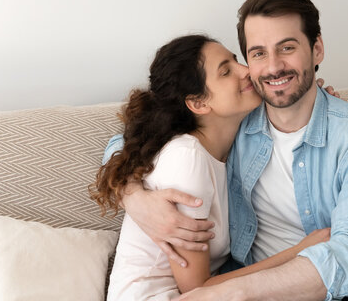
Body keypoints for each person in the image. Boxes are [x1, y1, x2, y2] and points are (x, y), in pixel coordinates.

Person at [113, 0, 348, 301]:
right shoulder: (233, 121)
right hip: (253, 282)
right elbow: (128, 144)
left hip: (331, 281)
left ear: (316, 49)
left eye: (287, 47)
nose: (273, 67)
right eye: (258, 53)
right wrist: (135, 198)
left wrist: (235, 291)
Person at [90, 34, 331, 300]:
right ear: (198, 103)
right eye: (226, 71)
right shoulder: (187, 157)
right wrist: (302, 251)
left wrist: (314, 103)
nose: (246, 70)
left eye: (236, 61)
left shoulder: (231, 143)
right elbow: (196, 289)